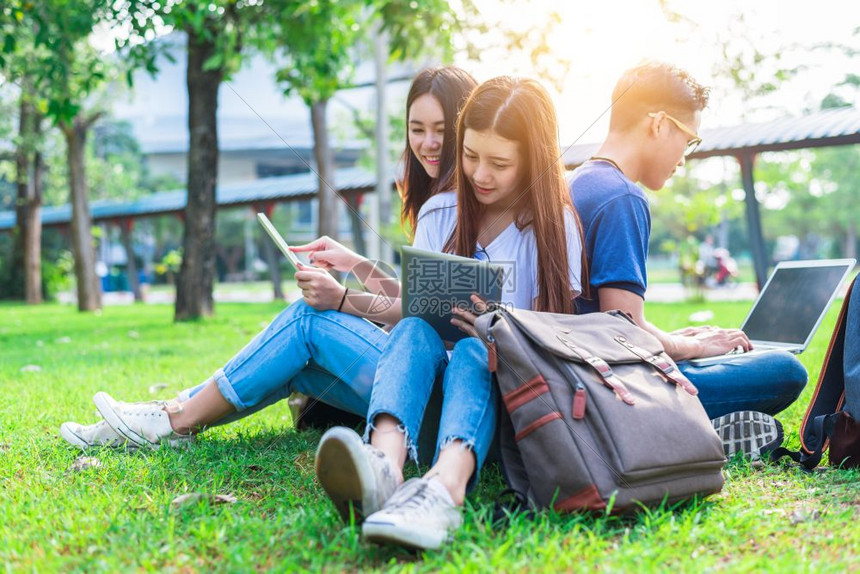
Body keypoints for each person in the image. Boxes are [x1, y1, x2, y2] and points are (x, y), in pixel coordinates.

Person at [58, 66, 479, 449]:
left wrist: (340, 299)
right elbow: (427, 304)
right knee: (292, 366)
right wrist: (355, 263)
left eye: (442, 129)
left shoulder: (448, 206)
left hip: (437, 396)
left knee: (305, 320)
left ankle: (167, 421)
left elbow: (426, 315)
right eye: (416, 128)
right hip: (428, 394)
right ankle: (156, 423)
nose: (428, 143)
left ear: (468, 130)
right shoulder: (447, 201)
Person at [314, 76, 585, 550]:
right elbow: (412, 310)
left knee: (473, 351)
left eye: (500, 163)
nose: (480, 174)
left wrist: (500, 328)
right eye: (471, 156)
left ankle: (444, 489)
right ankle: (384, 467)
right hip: (430, 389)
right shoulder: (440, 212)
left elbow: (564, 332)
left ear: (533, 160)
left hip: (508, 394)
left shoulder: (556, 224)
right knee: (416, 324)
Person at [568, 61, 807, 451]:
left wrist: (674, 338)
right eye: (689, 140)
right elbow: (623, 335)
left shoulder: (578, 180)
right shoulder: (621, 196)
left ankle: (703, 428)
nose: (684, 158)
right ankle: (682, 432)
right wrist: (696, 347)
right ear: (659, 124)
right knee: (784, 370)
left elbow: (605, 318)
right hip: (616, 391)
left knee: (716, 356)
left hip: (582, 375)